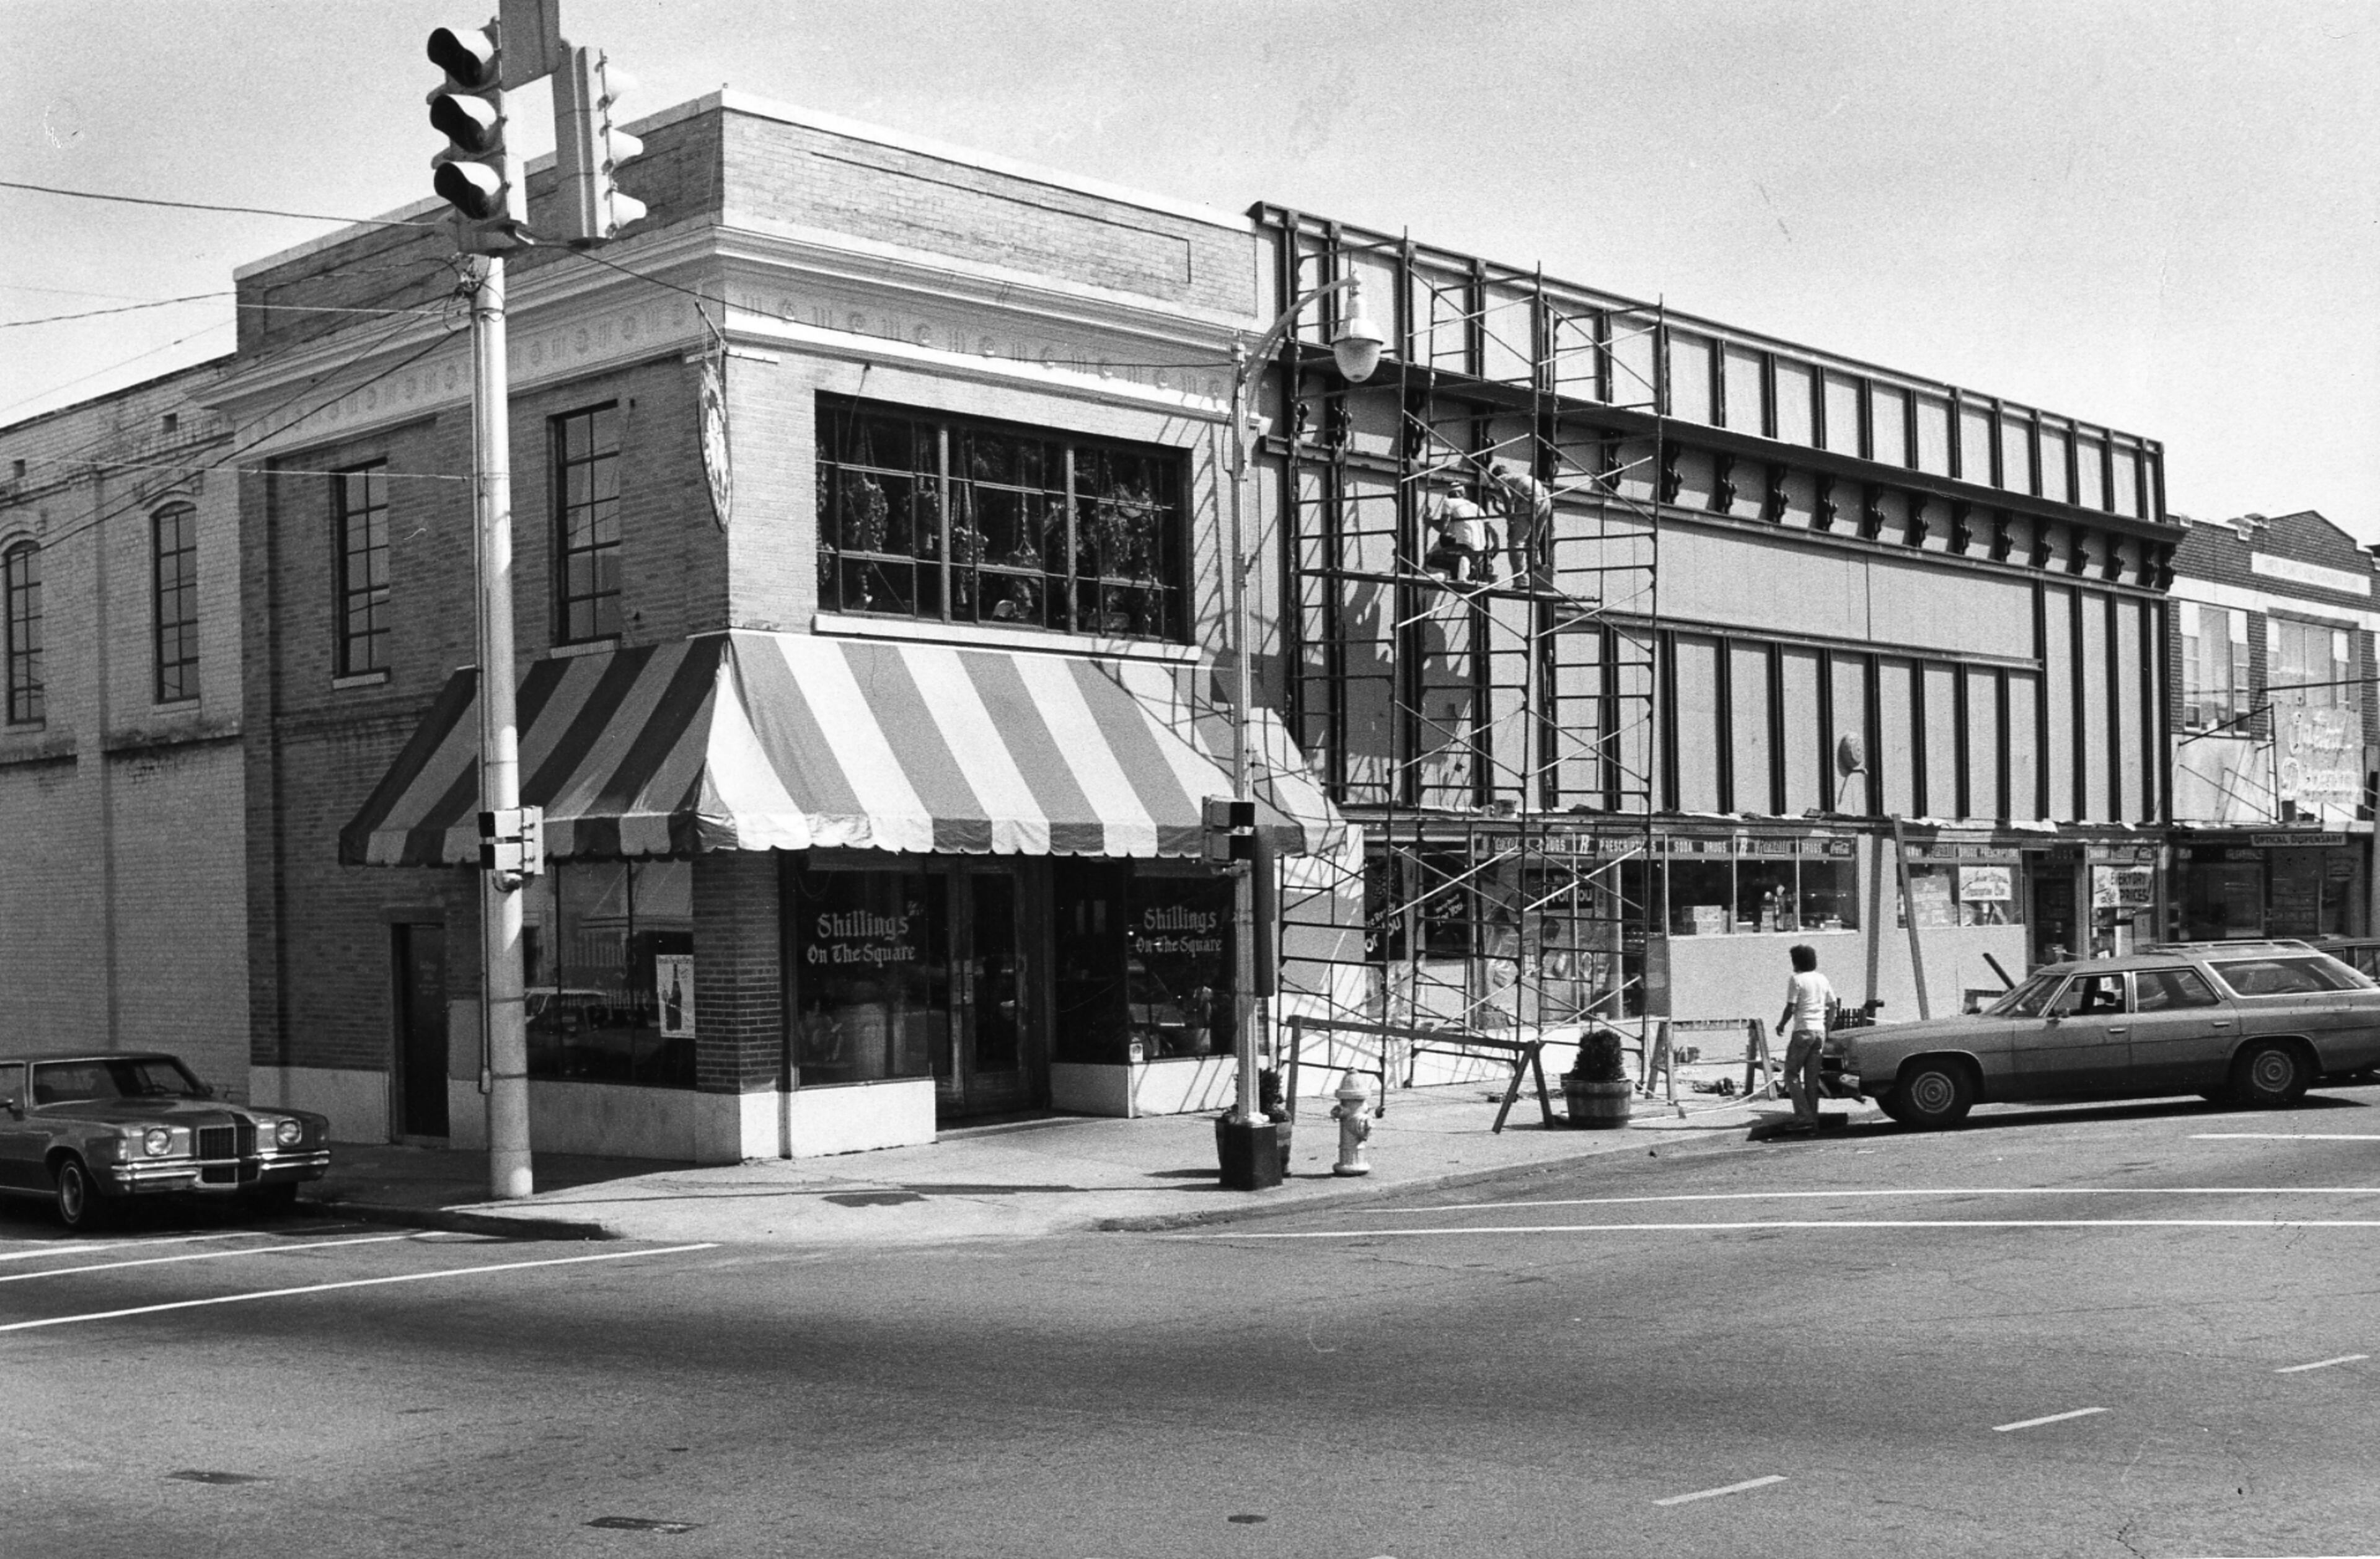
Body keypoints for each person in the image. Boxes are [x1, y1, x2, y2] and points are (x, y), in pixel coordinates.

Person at [1774, 943, 1836, 1133]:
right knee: (1812, 1079)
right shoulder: (1822, 979)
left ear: (1797, 961)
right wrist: (1827, 1027)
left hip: (1803, 1031)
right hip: (1819, 1032)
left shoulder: (1796, 979)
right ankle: (1813, 1123)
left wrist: (1781, 1024)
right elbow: (1833, 1006)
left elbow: (1791, 1007)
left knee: (1791, 1074)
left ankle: (1803, 1116)